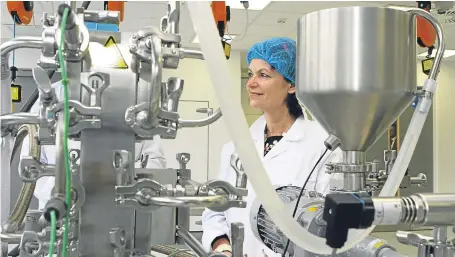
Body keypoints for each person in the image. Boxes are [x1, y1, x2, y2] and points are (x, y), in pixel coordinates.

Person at [201, 38, 344, 257]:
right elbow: (215, 209)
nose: (250, 83)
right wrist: (222, 246)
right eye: (250, 74)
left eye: (263, 75)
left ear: (292, 84)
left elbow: (334, 224)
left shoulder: (324, 146)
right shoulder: (236, 146)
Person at [19, 80, 167, 209]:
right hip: (60, 208)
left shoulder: (136, 100)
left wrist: (128, 184)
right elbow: (30, 166)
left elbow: (155, 160)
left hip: (123, 209)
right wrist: (59, 188)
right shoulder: (51, 97)